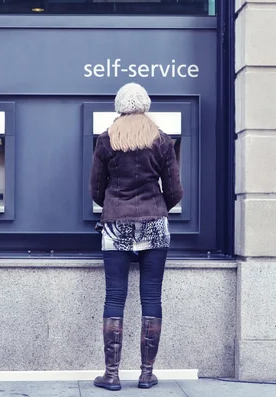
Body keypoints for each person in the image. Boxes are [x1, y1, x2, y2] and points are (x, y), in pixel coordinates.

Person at [89, 82, 183, 391]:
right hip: (155, 222)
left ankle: (112, 375)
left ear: (119, 106)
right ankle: (146, 373)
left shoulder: (106, 140)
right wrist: (157, 208)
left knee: (115, 295)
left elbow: (96, 189)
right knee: (151, 296)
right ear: (145, 105)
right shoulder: (162, 140)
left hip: (116, 223)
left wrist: (115, 206)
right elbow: (174, 191)